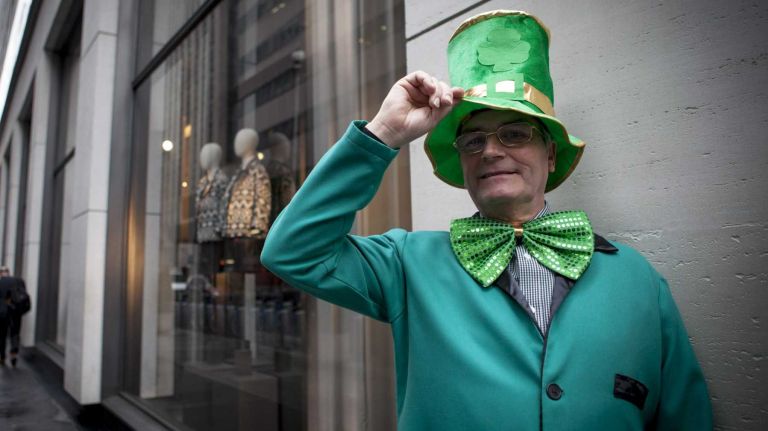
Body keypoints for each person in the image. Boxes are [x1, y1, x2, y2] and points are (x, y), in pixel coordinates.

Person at [261, 10, 712, 430]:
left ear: (550, 154)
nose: (492, 151)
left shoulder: (638, 280)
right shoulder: (407, 264)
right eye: (473, 141)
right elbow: (293, 250)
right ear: (463, 163)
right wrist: (384, 135)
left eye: (515, 133)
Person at [0, 266, 28, 367]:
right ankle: (14, 354)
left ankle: (2, 357)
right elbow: (24, 297)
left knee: (2, 335)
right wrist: (21, 311)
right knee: (15, 333)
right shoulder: (19, 281)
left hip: (3, 313)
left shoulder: (1, 282)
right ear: (8, 272)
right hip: (16, 313)